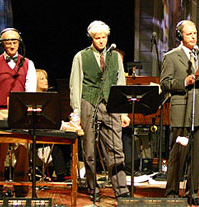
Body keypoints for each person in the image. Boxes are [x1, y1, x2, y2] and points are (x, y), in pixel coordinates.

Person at [69, 20, 130, 201]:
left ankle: (121, 189)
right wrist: (77, 113)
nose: (101, 41)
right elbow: (75, 85)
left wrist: (123, 111)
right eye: (97, 38)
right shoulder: (81, 56)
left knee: (116, 148)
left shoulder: (115, 57)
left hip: (111, 105)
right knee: (89, 150)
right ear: (91, 38)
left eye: (104, 37)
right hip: (89, 103)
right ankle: (92, 187)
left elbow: (121, 83)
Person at [160, 20, 199, 206]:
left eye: (195, 33)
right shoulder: (171, 56)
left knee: (197, 155)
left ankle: (193, 192)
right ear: (180, 35)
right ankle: (172, 191)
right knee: (179, 153)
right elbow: (165, 83)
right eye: (189, 33)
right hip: (182, 110)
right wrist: (185, 81)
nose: (193, 36)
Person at [0, 28, 37, 197]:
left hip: (21, 113)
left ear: (19, 43)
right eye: (8, 42)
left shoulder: (28, 64)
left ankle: (21, 187)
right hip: (2, 111)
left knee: (22, 148)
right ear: (2, 44)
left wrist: (26, 111)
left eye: (15, 41)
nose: (12, 45)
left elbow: (30, 90)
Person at [36, 69, 71, 181]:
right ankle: (62, 173)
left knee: (68, 136)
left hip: (50, 130)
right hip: (36, 132)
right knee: (57, 141)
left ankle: (68, 171)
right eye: (42, 79)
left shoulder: (50, 97)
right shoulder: (33, 98)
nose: (46, 81)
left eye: (46, 78)